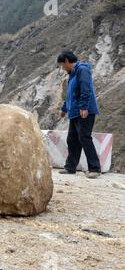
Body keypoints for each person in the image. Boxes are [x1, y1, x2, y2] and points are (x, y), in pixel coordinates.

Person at [57, 51, 101, 179]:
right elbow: (70, 95)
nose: (62, 68)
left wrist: (84, 106)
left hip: (84, 111)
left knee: (84, 138)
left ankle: (95, 168)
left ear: (66, 61)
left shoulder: (82, 70)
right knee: (72, 140)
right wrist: (64, 108)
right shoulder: (72, 75)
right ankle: (70, 167)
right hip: (75, 112)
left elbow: (86, 89)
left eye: (62, 65)